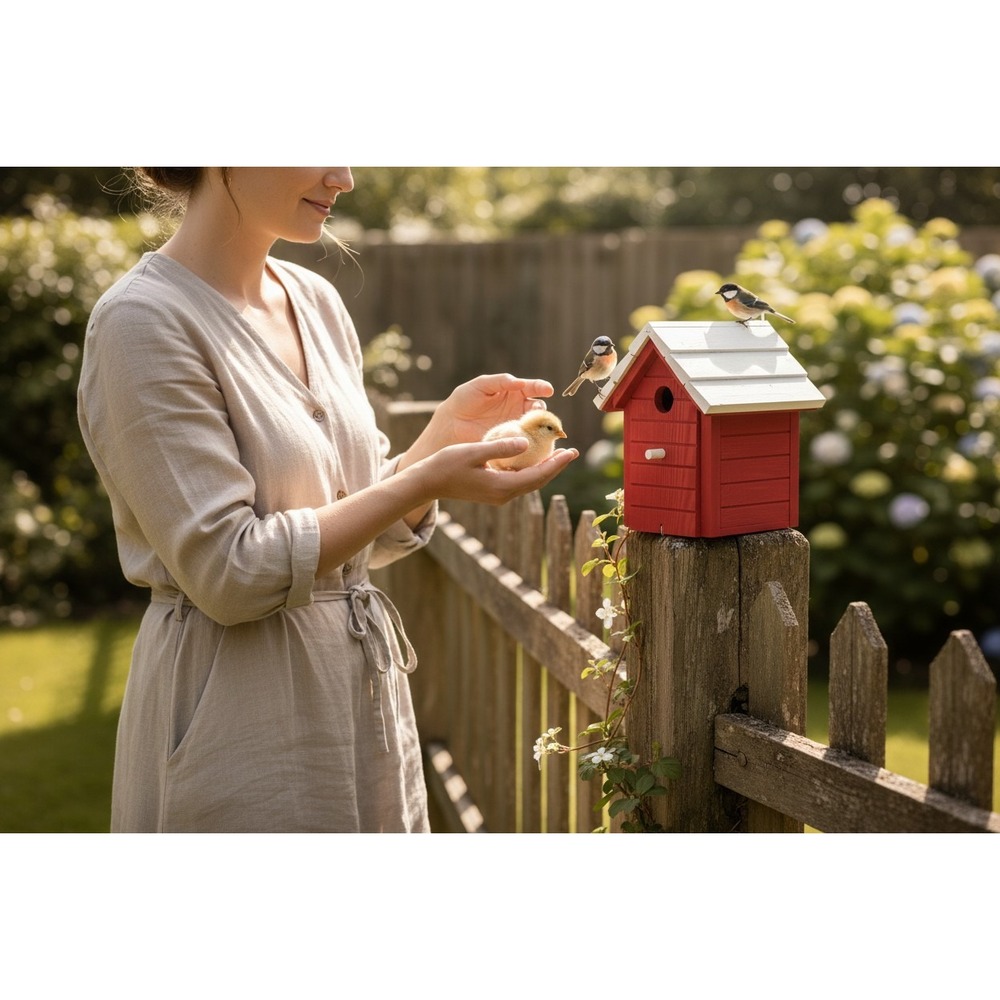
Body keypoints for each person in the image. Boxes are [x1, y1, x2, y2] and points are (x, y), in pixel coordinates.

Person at [77, 167, 578, 832]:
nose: (343, 176)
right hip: (238, 714)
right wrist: (424, 479)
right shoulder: (141, 323)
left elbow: (349, 520)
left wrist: (438, 444)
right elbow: (229, 572)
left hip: (364, 707)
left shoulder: (315, 301)